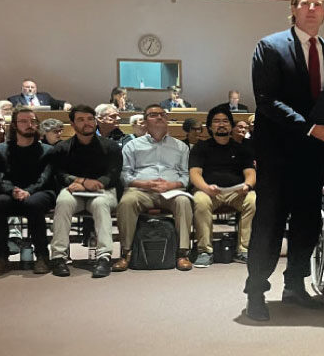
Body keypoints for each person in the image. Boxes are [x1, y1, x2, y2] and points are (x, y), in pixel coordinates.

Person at [245, 0, 324, 321]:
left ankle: (294, 285)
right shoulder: (269, 47)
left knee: (306, 223)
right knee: (269, 223)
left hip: (312, 154)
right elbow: (266, 100)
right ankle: (255, 291)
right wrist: (311, 127)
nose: (311, 9)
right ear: (294, 9)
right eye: (305, 3)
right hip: (277, 153)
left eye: (318, 4)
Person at [114, 104, 193, 272]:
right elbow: (125, 175)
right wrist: (145, 184)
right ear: (144, 122)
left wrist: (172, 184)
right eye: (153, 115)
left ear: (167, 120)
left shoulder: (181, 147)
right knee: (127, 202)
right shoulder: (132, 146)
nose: (159, 117)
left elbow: (185, 175)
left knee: (184, 201)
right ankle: (126, 253)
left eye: (162, 114)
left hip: (171, 191)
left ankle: (182, 253)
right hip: (141, 190)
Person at [49, 105, 122, 278]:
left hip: (103, 190)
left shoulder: (111, 146)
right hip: (74, 190)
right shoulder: (62, 148)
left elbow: (113, 174)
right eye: (81, 120)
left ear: (95, 121)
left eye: (90, 119)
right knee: (63, 202)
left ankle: (104, 257)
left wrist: (95, 184)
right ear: (73, 125)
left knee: (100, 204)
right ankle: (59, 256)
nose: (87, 123)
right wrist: (81, 181)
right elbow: (58, 173)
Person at [0, 106, 57, 277]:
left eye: (33, 121)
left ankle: (41, 256)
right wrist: (13, 191)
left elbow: (45, 178)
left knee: (33, 203)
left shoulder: (47, 150)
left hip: (41, 192)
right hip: (12, 192)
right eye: (24, 121)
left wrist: (28, 191)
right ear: (15, 126)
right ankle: (1, 257)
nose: (29, 124)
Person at [190, 106, 256, 267]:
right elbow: (194, 174)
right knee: (200, 200)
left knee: (253, 200)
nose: (221, 124)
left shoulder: (241, 148)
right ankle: (205, 251)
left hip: (237, 192)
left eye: (225, 121)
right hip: (209, 191)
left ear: (231, 126)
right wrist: (205, 188)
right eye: (217, 121)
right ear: (210, 126)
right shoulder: (201, 147)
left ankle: (244, 250)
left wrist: (247, 186)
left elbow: (250, 173)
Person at [7, 78, 71, 110]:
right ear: (22, 88)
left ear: (36, 89)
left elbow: (56, 103)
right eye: (27, 87)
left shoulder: (45, 97)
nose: (30, 89)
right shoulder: (13, 99)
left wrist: (65, 104)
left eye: (32, 87)